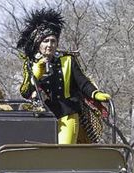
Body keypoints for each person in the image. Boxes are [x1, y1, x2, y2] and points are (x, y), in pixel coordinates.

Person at [16, 8, 111, 144]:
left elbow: (82, 82)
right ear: (38, 43)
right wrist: (35, 74)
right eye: (46, 41)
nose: (50, 45)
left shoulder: (67, 60)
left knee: (63, 152)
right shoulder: (30, 63)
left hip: (67, 112)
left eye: (53, 41)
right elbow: (24, 92)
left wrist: (96, 94)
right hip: (42, 115)